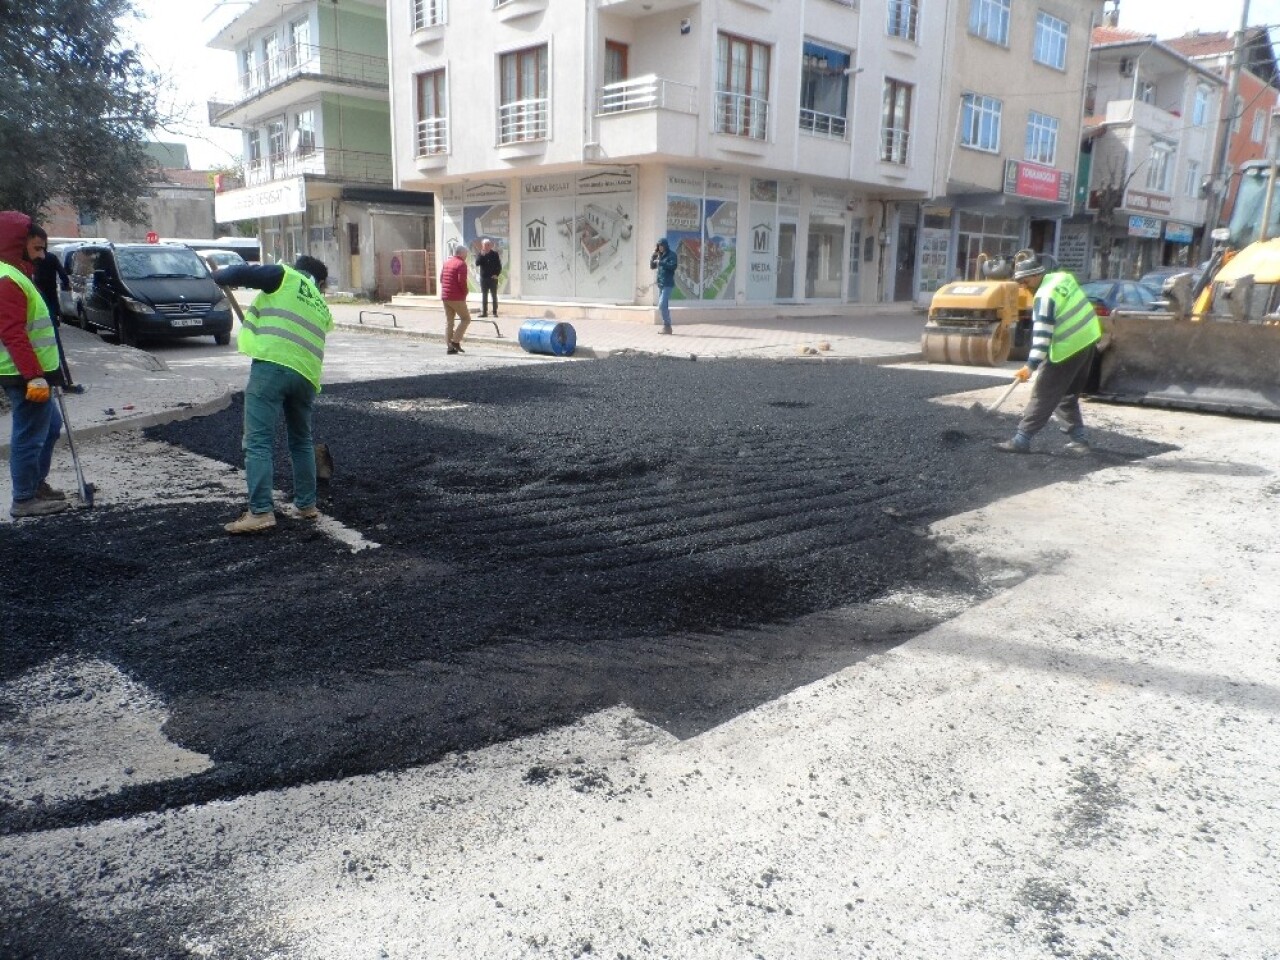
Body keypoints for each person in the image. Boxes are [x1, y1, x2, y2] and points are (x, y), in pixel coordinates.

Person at [212, 254, 334, 534]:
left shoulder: (285, 276)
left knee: (258, 442)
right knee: (302, 441)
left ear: (297, 268)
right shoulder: (320, 303)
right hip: (305, 376)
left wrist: (218, 276)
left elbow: (239, 273)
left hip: (272, 369)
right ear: (321, 281)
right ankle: (306, 505)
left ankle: (261, 511)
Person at [995, 253, 1103, 455]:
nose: (1023, 286)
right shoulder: (1062, 278)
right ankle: (1079, 441)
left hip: (1068, 346)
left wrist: (1030, 365)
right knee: (1067, 394)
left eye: (1025, 281)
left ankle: (1022, 439)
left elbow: (1042, 338)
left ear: (1037, 275)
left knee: (1044, 393)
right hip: (1088, 339)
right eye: (1019, 282)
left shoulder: (1044, 297)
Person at [0, 211, 67, 518]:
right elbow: (13, 333)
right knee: (29, 435)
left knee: (50, 426)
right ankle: (24, 498)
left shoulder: (18, 274)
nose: (41, 256)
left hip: (34, 373)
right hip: (22, 375)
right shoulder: (7, 279)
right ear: (17, 242)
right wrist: (34, 376)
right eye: (36, 248)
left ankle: (35, 484)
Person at [30, 235, 81, 391]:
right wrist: (66, 284)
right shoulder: (49, 258)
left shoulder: (40, 258)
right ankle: (61, 381)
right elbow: (62, 273)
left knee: (51, 330)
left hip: (43, 295)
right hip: (45, 295)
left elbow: (61, 273)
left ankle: (61, 381)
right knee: (51, 330)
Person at [440, 243, 470, 355]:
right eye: (466, 253)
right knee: (466, 319)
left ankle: (449, 347)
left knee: (449, 321)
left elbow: (441, 279)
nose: (466, 256)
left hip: (445, 296)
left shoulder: (447, 262)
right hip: (456, 297)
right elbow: (461, 281)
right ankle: (455, 341)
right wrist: (465, 292)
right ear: (461, 253)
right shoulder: (461, 264)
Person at [649, 238, 677, 335]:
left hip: (668, 283)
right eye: (659, 246)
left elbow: (673, 266)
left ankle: (667, 325)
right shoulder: (659, 255)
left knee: (661, 304)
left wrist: (661, 262)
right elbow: (652, 267)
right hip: (661, 283)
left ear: (665, 246)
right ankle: (667, 327)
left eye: (661, 246)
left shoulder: (671, 255)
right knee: (663, 306)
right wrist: (653, 257)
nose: (660, 248)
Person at [475, 238, 501, 318]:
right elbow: (477, 263)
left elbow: (499, 266)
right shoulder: (480, 254)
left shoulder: (495, 254)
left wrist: (496, 274)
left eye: (488, 245)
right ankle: (484, 312)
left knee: (494, 295)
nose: (486, 247)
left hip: (493, 278)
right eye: (485, 245)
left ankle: (494, 312)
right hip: (484, 278)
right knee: (484, 295)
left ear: (490, 245)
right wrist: (482, 256)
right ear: (482, 246)